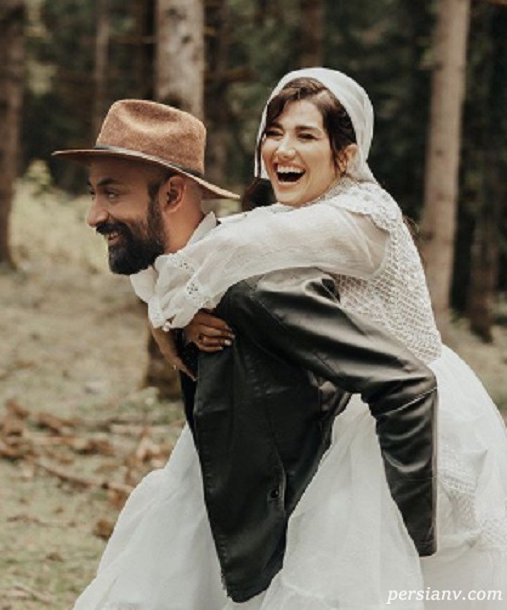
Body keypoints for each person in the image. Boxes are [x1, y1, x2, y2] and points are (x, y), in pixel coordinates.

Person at [129, 69, 507, 608]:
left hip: (398, 410)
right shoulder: (292, 213)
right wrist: (176, 315)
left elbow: (229, 249)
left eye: (305, 135)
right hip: (334, 397)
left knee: (364, 575)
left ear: (345, 155)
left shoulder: (359, 218)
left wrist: (164, 311)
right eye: (274, 132)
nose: (282, 149)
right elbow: (221, 250)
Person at [54, 96, 443, 609]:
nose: (93, 216)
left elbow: (407, 385)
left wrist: (410, 548)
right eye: (94, 193)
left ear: (173, 194)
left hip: (278, 536)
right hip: (213, 498)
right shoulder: (185, 282)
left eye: (111, 193)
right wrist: (170, 322)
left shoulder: (255, 288)